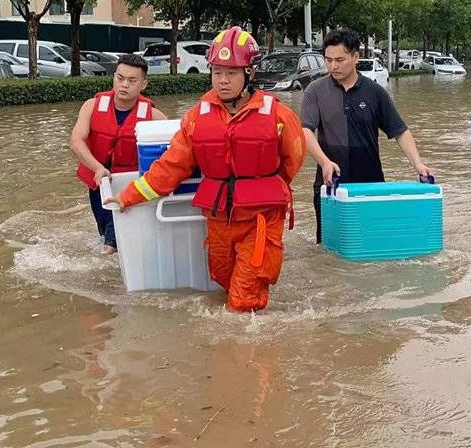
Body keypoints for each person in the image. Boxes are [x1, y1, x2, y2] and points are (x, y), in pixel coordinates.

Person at [107, 27, 305, 312]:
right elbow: (172, 166)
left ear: (249, 73)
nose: (222, 81)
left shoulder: (277, 114)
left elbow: (292, 160)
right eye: (217, 72)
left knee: (243, 300)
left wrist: (264, 188)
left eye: (232, 73)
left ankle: (244, 354)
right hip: (219, 219)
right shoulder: (197, 117)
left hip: (260, 218)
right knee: (223, 280)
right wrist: (128, 196)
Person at [301, 29, 432, 244]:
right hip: (330, 183)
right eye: (328, 60)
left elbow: (399, 130)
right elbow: (305, 130)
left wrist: (417, 163)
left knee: (372, 245)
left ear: (355, 57)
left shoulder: (374, 92)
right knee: (329, 250)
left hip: (370, 186)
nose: (333, 66)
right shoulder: (315, 91)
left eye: (340, 60)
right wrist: (324, 162)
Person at [70, 53, 166, 254]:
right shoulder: (92, 106)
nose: (124, 85)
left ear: (143, 84)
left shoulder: (155, 117)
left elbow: (173, 152)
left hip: (130, 186)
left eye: (132, 80)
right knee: (105, 232)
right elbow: (76, 141)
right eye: (120, 78)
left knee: (111, 245)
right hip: (99, 182)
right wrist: (97, 168)